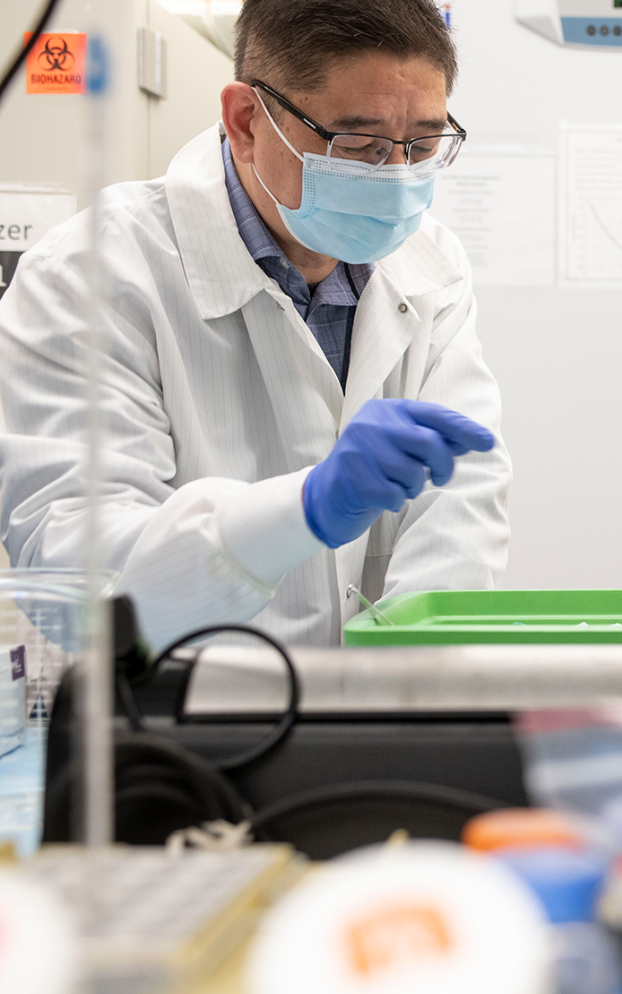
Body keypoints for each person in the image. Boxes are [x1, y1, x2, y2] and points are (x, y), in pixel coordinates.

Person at [0, 0, 511, 648]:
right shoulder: (89, 277)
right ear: (246, 120)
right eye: (359, 144)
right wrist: (299, 511)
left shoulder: (432, 266)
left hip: (377, 722)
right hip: (176, 731)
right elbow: (83, 590)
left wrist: (404, 703)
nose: (398, 177)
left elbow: (459, 513)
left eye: (425, 144)